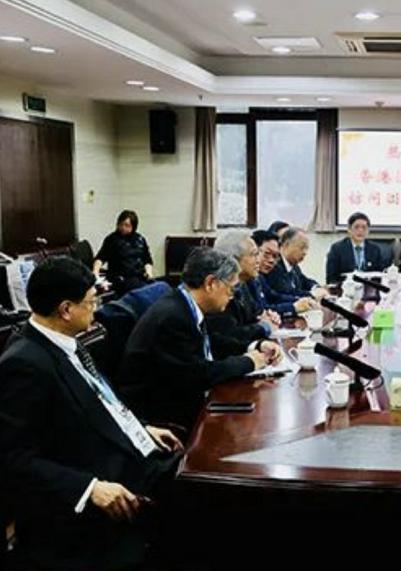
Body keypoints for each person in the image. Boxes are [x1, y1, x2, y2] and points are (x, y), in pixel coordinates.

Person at [0, 256, 183, 570]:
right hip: (101, 483)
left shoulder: (68, 341)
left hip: (130, 453)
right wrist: (89, 488)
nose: (96, 307)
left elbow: (101, 403)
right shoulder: (24, 364)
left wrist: (141, 427)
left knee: (208, 474)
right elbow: (13, 458)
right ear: (66, 309)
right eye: (91, 301)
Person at [117, 247, 273, 430]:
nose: (232, 296)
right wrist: (248, 362)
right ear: (211, 283)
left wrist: (255, 346)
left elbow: (212, 342)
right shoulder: (173, 317)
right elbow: (197, 374)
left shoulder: (183, 303)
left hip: (186, 400)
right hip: (164, 418)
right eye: (231, 289)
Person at [206, 231, 283, 359]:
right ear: (233, 259)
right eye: (254, 255)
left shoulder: (244, 284)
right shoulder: (218, 289)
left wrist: (269, 317)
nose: (259, 260)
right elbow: (230, 334)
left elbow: (257, 314)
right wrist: (264, 327)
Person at [251, 230, 316, 317]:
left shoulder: (259, 277)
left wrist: (302, 300)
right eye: (267, 254)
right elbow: (262, 310)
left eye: (275, 256)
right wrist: (294, 307)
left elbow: (274, 296)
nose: (271, 260)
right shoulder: (243, 281)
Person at [93, 210, 154, 294]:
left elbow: (147, 260)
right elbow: (100, 258)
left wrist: (149, 273)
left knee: (156, 288)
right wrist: (95, 273)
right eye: (121, 224)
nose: (123, 228)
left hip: (139, 277)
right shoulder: (112, 239)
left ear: (133, 226)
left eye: (127, 225)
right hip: (121, 278)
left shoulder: (140, 239)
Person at [262, 227, 328, 301]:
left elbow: (305, 281)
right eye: (302, 247)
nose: (305, 252)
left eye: (306, 248)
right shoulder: (274, 265)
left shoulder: (294, 266)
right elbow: (287, 292)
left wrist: (316, 287)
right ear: (286, 245)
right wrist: (312, 294)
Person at [325, 212, 386, 284]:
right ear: (349, 230)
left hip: (368, 290)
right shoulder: (337, 249)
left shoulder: (375, 250)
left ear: (368, 231)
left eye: (364, 227)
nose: (360, 231)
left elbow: (380, 276)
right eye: (356, 227)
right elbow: (331, 278)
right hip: (345, 289)